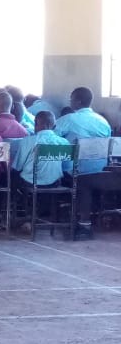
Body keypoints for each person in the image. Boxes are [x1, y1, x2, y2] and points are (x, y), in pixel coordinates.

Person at [55, 86, 118, 238]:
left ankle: (75, 220)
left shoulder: (69, 119)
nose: (70, 102)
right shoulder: (103, 121)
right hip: (100, 169)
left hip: (75, 170)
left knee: (59, 167)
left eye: (71, 99)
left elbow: (52, 137)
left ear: (78, 101)